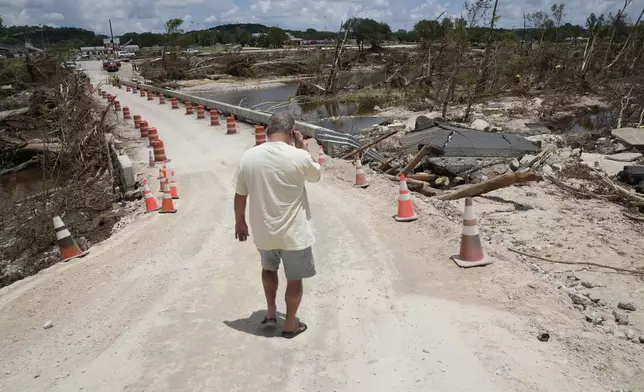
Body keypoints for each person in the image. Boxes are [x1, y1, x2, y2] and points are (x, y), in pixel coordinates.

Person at [234, 112, 321, 339]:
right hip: (294, 234)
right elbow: (315, 176)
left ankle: (271, 312)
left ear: (267, 131)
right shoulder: (298, 155)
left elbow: (240, 194)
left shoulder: (249, 157)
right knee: (294, 278)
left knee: (268, 269)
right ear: (291, 133)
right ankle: (290, 324)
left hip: (264, 231)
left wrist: (240, 222)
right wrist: (304, 150)